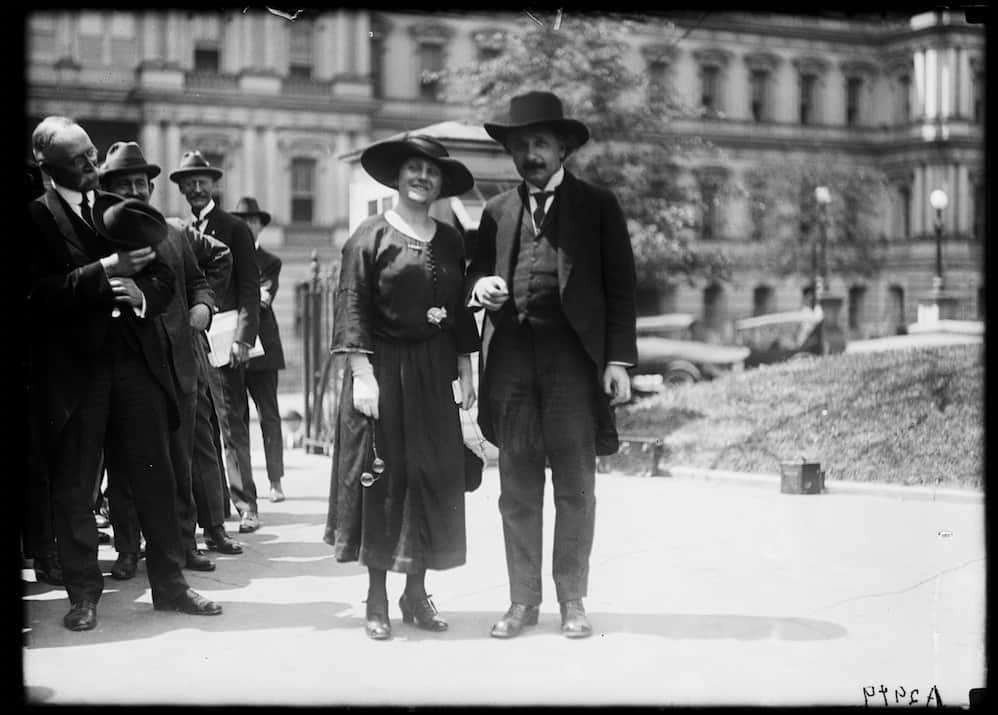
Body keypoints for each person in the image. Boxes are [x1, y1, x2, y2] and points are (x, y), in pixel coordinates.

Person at [27, 116, 223, 631]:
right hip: (77, 374)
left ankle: (171, 586)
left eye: (92, 153)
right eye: (79, 160)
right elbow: (35, 296)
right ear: (47, 169)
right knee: (75, 487)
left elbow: (164, 277)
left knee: (155, 479)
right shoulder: (34, 219)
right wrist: (106, 270)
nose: (92, 165)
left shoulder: (121, 210)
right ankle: (84, 595)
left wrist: (142, 297)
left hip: (136, 364)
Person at [466, 91, 637, 639]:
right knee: (515, 487)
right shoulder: (496, 212)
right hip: (512, 366)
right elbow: (474, 273)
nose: (530, 153)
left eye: (540, 142)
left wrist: (617, 360)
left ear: (563, 147)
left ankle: (572, 599)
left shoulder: (598, 206)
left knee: (575, 487)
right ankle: (522, 602)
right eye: (520, 145)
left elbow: (621, 288)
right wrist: (480, 287)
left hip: (572, 366)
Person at [323, 135, 479, 641]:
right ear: (397, 176)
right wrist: (363, 377)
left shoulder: (451, 239)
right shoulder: (369, 237)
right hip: (384, 373)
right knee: (383, 482)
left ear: (440, 182)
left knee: (430, 480)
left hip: (434, 375)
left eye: (432, 172)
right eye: (414, 168)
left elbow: (457, 309)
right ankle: (376, 598)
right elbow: (351, 307)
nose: (422, 178)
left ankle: (416, 592)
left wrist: (466, 367)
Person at [97, 141, 242, 581]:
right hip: (126, 365)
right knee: (125, 466)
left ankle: (185, 544)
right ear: (110, 190)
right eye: (125, 184)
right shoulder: (99, 236)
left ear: (151, 187)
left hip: (178, 361)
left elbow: (201, 277)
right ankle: (127, 549)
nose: (135, 191)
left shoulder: (174, 232)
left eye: (141, 183)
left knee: (180, 462)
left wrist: (204, 305)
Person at [169, 151, 263, 534]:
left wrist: (244, 337)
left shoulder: (234, 228)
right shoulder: (175, 229)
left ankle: (246, 504)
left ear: (214, 184)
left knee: (230, 422)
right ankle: (214, 507)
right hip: (188, 338)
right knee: (199, 425)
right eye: (187, 182)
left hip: (225, 336)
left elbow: (249, 288)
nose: (194, 187)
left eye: (201, 181)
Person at [230, 197, 287, 504]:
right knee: (235, 419)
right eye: (241, 220)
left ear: (261, 225)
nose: (247, 225)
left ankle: (275, 481)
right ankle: (240, 489)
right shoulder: (223, 256)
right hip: (233, 348)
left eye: (252, 220)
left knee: (269, 416)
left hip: (263, 349)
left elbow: (261, 299)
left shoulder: (271, 262)